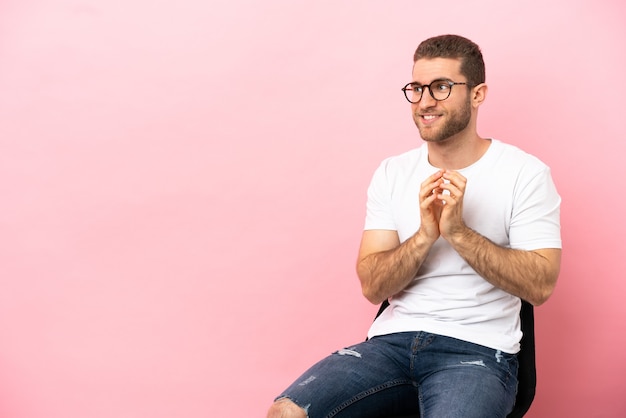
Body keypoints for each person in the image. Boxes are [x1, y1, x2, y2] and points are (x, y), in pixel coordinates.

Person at [266, 34, 561, 418]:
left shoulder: (525, 173)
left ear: (477, 94)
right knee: (287, 413)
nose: (424, 102)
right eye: (417, 88)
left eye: (441, 87)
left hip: (477, 351)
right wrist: (425, 235)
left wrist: (458, 233)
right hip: (390, 345)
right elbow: (374, 287)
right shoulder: (393, 173)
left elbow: (539, 286)